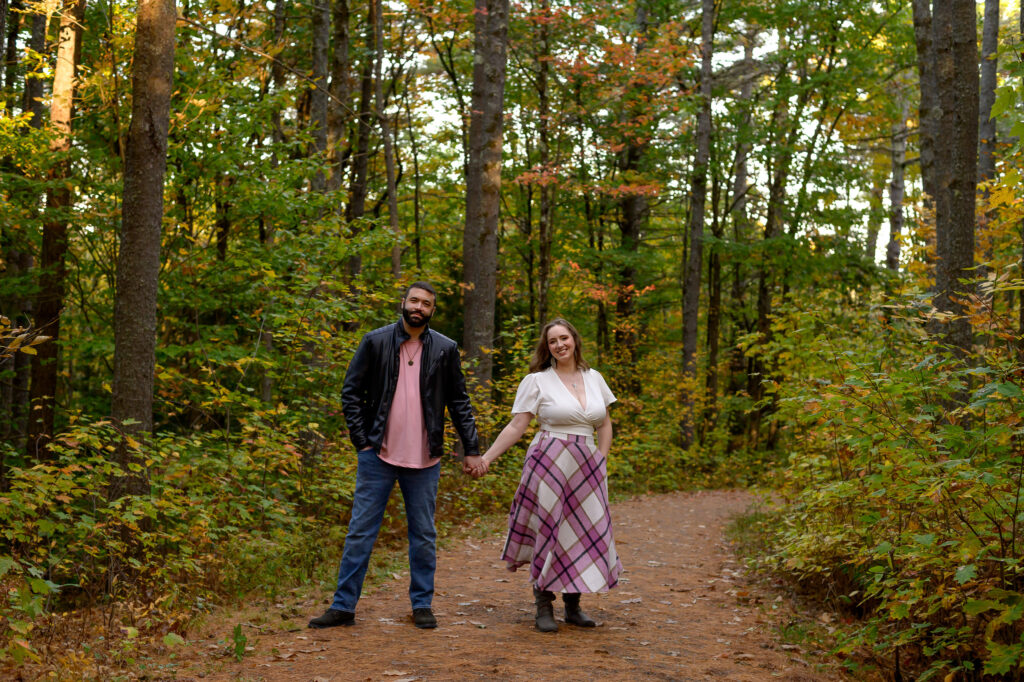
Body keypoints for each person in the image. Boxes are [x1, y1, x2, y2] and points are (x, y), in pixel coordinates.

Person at [309, 282, 483, 630]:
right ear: (403, 303)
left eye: (427, 303)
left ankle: (422, 605)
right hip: (378, 456)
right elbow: (350, 393)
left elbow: (459, 401)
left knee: (423, 535)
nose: (419, 307)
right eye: (414, 300)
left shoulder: (445, 349)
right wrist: (363, 443)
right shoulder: (375, 341)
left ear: (433, 311)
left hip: (426, 459)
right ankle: (343, 607)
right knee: (360, 532)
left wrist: (472, 449)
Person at [469, 318, 621, 632]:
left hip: (588, 464)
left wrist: (600, 461)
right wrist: (485, 459)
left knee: (582, 531)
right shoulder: (537, 380)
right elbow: (517, 425)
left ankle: (573, 606)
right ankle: (543, 605)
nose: (559, 345)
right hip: (550, 459)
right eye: (553, 341)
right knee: (549, 527)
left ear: (574, 339)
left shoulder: (595, 378)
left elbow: (604, 425)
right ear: (547, 347)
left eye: (564, 338)